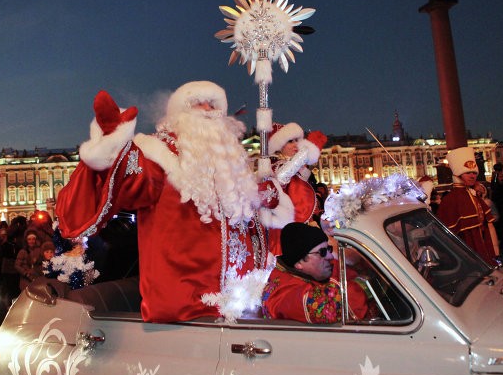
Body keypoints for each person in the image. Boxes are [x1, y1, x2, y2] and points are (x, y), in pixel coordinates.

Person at [55, 81, 290, 323]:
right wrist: (113, 143)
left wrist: (267, 193)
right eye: (198, 104)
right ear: (179, 114)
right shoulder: (159, 156)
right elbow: (130, 179)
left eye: (214, 105)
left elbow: (247, 207)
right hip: (187, 311)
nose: (209, 109)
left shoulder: (230, 164)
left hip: (242, 306)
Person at [262, 222, 368, 323]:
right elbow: (337, 305)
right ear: (299, 262)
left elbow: (350, 272)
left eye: (329, 249)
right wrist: (364, 284)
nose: (330, 256)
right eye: (322, 252)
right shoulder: (284, 295)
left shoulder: (314, 269)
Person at [266, 122, 325, 255]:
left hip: (299, 224)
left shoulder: (298, 168)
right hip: (284, 228)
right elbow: (282, 176)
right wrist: (306, 152)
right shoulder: (276, 165)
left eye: (297, 141)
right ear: (279, 145)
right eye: (290, 141)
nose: (295, 145)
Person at [436, 146, 500, 265]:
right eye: (467, 173)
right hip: (467, 257)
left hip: (483, 251)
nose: (472, 176)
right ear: (458, 175)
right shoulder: (450, 200)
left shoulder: (474, 195)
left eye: (474, 173)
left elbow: (486, 226)